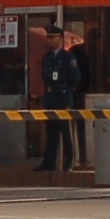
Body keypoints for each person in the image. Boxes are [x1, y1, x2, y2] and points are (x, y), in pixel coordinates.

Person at [37, 25, 87, 172]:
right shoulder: (47, 57)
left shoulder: (68, 57)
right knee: (51, 133)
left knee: (66, 132)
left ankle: (68, 162)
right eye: (48, 37)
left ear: (60, 38)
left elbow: (75, 78)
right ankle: (49, 162)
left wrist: (66, 89)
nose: (49, 40)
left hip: (63, 97)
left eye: (52, 37)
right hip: (50, 98)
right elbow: (44, 76)